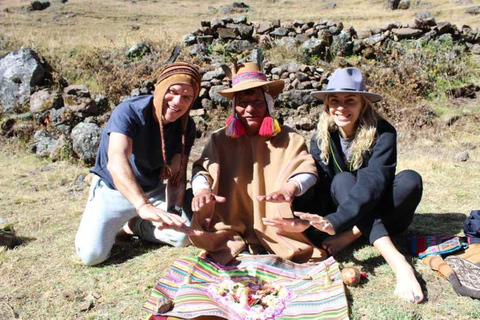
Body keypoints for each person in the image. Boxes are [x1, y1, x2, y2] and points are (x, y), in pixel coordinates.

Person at [263, 67, 424, 303]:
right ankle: (366, 239)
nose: (341, 107)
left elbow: (374, 181)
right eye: (335, 100)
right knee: (342, 180)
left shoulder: (384, 133)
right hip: (341, 211)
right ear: (327, 104)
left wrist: (340, 226)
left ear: (363, 104)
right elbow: (320, 181)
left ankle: (395, 262)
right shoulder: (322, 135)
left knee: (410, 180)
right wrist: (300, 213)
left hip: (381, 212)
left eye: (350, 101)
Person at [188, 62, 326, 265]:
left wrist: (291, 187)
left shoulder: (289, 138)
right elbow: (203, 169)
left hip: (275, 224)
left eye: (257, 102)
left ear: (269, 104)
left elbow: (306, 168)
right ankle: (236, 242)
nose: (250, 109)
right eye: (243, 102)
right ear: (235, 107)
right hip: (230, 222)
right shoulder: (219, 140)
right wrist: (202, 191)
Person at [75, 62, 202, 266]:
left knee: (182, 237)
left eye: (187, 97)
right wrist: (142, 205)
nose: (177, 102)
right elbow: (116, 160)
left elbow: (178, 174)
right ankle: (128, 215)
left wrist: (174, 213)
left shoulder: (187, 125)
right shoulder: (130, 111)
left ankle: (134, 225)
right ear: (160, 89)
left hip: (152, 190)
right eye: (173, 92)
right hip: (114, 190)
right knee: (92, 256)